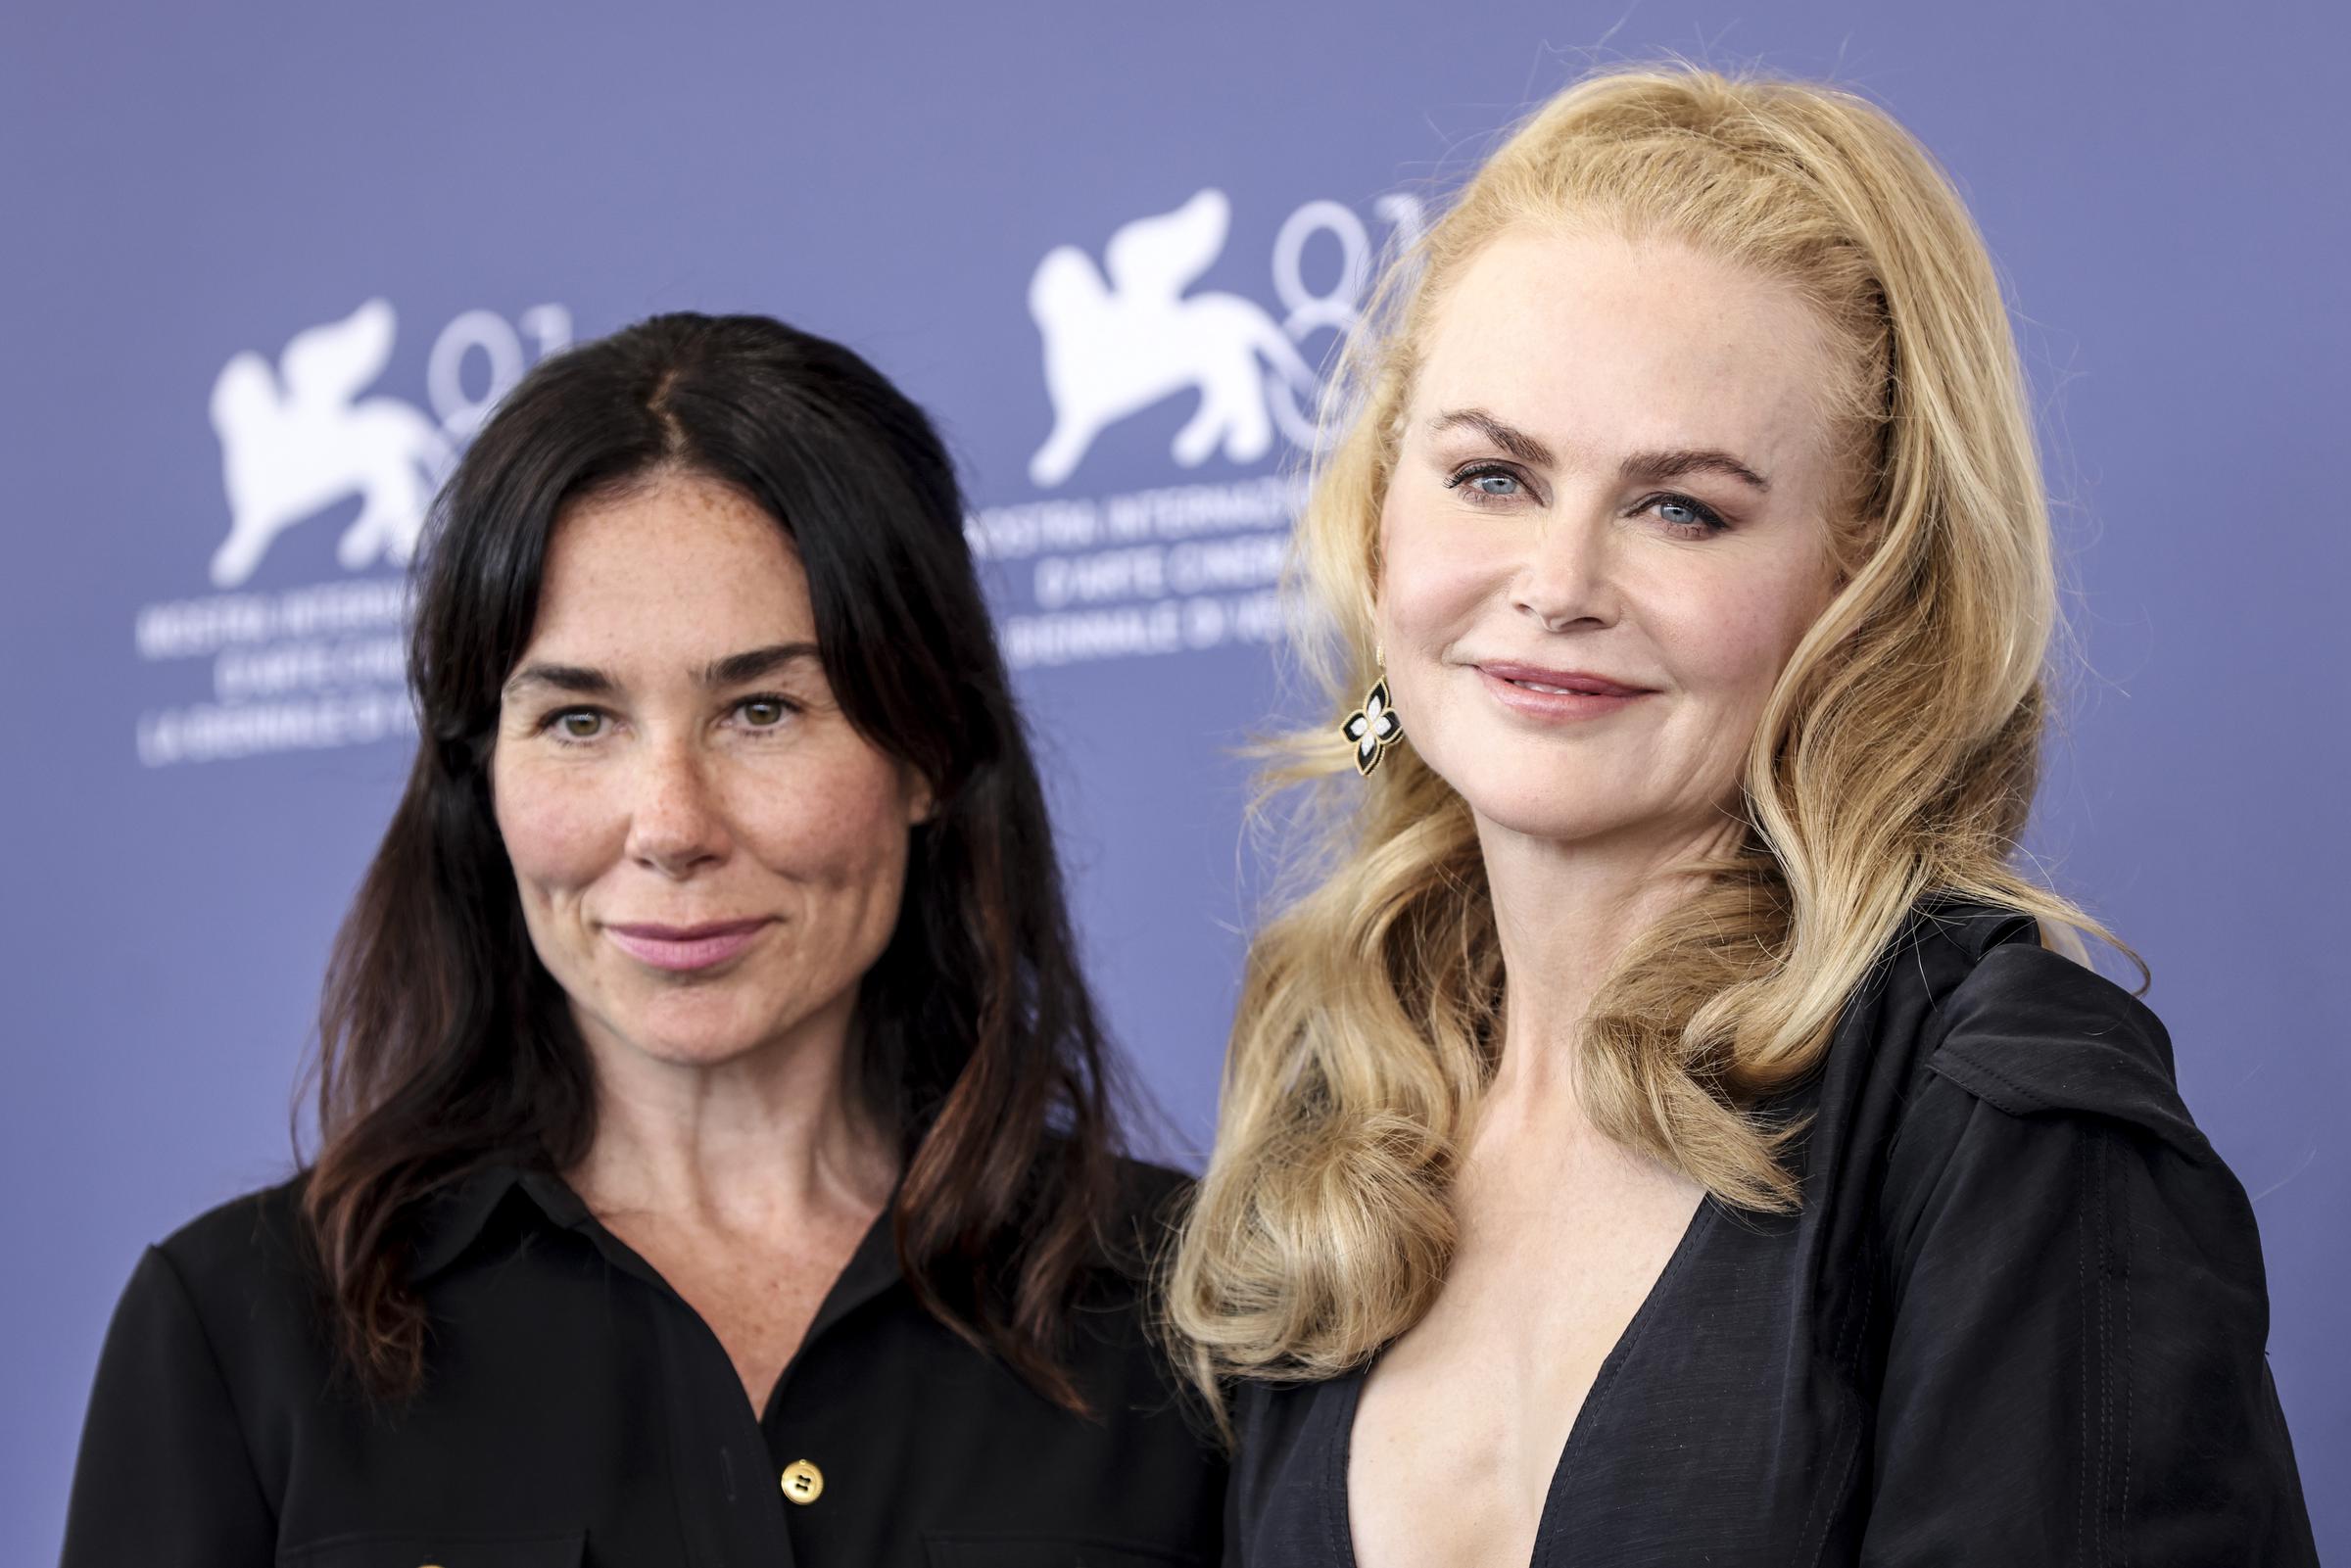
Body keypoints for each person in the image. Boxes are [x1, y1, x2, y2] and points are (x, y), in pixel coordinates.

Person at [1167, 65, 2315, 1565]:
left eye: (1681, 509)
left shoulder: (2005, 1120)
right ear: (1381, 521)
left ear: (1866, 584)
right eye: (1494, 475)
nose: (1558, 582)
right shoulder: (1343, 1109)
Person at [64, 313, 1224, 1567]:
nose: (671, 825)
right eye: (576, 719)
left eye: (763, 709)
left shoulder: (1197, 1313)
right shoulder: (240, 1332)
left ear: (929, 753)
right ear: (481, 772)